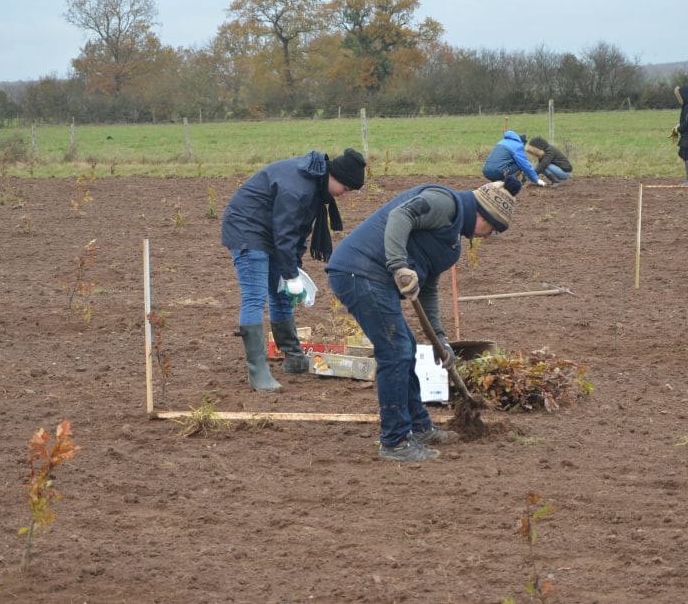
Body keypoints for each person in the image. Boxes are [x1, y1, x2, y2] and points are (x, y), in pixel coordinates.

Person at [326, 175, 523, 462]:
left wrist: (440, 338)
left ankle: (419, 426)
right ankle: (395, 441)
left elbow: (428, 287)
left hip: (375, 278)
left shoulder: (452, 245)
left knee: (404, 346)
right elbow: (400, 215)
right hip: (359, 271)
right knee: (395, 352)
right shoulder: (444, 203)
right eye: (492, 227)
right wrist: (398, 265)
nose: (489, 235)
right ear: (482, 213)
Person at [222, 148, 366, 391]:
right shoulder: (298, 189)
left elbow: (298, 232)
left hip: (271, 231)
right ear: (335, 177)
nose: (345, 195)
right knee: (255, 297)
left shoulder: (315, 187)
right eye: (346, 189)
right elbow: (285, 234)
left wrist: (294, 270)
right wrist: (290, 275)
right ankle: (258, 373)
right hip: (247, 228)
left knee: (281, 293)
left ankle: (294, 357)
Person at [482, 130, 547, 186]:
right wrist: (536, 179)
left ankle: (496, 183)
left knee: (511, 163)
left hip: (486, 171)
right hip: (498, 172)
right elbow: (525, 164)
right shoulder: (518, 146)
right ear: (522, 143)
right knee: (519, 164)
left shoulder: (501, 142)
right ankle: (508, 183)